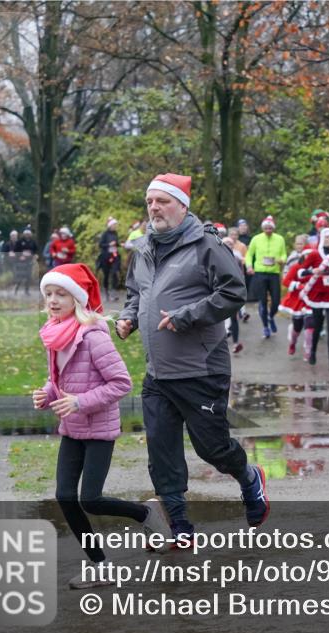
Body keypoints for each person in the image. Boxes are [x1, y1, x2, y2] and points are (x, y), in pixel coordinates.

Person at [117, 172, 265, 544]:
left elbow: (233, 293)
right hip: (158, 373)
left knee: (213, 449)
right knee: (162, 452)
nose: (154, 207)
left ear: (182, 206)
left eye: (162, 201)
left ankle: (250, 478)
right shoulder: (144, 248)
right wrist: (129, 316)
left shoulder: (207, 246)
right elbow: (138, 292)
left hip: (201, 369)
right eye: (149, 201)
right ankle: (180, 526)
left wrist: (186, 316)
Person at [33, 263, 171, 587]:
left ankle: (146, 514)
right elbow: (63, 379)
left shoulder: (93, 335)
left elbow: (121, 383)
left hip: (98, 429)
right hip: (72, 427)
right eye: (48, 294)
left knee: (89, 499)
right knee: (66, 496)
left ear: (77, 299)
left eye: (60, 294)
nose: (52, 300)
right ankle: (101, 566)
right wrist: (48, 392)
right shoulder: (56, 331)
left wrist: (79, 402)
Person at [299, 227, 329, 370]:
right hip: (317, 294)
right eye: (327, 237)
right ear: (322, 238)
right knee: (317, 325)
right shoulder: (314, 255)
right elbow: (300, 271)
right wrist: (313, 270)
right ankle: (312, 352)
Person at [244, 215, 287, 339]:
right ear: (263, 228)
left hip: (274, 273)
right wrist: (249, 266)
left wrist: (281, 260)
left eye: (270, 228)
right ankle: (265, 327)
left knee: (276, 301)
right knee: (262, 302)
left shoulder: (280, 239)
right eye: (266, 228)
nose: (268, 230)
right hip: (260, 273)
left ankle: (271, 316)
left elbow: (284, 254)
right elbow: (249, 255)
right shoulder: (256, 239)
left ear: (273, 228)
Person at [279, 235, 313, 356]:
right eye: (306, 256)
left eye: (311, 256)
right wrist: (298, 285)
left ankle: (308, 351)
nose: (308, 258)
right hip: (297, 299)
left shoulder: (316, 269)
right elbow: (285, 281)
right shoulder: (296, 267)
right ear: (303, 256)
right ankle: (292, 342)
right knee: (297, 327)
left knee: (310, 326)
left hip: (311, 300)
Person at [216, 224, 245, 354]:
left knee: (234, 318)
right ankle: (220, 340)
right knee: (221, 317)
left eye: (231, 244)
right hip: (219, 290)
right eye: (226, 243)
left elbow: (242, 272)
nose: (229, 245)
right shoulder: (216, 255)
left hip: (234, 290)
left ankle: (236, 343)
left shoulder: (237, 255)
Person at [97, 218, 120, 296]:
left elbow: (116, 243)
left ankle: (113, 290)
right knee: (106, 274)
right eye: (114, 225)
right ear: (110, 225)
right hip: (106, 256)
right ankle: (106, 290)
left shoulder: (115, 233)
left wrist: (118, 244)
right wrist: (109, 244)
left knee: (114, 272)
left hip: (114, 255)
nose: (115, 226)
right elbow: (100, 245)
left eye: (115, 225)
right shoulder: (105, 234)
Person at [13, 227, 39, 295]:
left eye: (28, 233)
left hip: (29, 261)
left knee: (28, 276)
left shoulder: (33, 242)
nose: (27, 235)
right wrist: (20, 256)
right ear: (24, 234)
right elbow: (15, 251)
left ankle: (26, 291)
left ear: (30, 234)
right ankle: (16, 289)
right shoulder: (19, 241)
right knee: (20, 276)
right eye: (26, 233)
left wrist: (35, 255)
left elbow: (36, 250)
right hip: (21, 261)